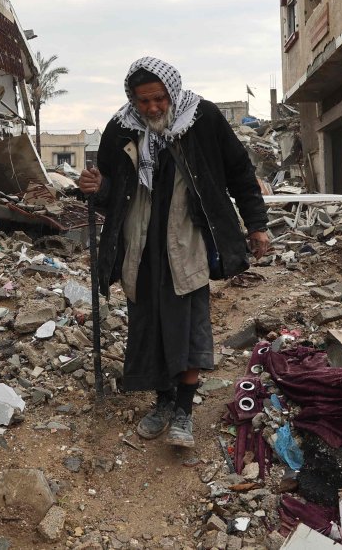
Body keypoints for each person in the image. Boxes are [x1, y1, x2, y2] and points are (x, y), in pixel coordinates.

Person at [78, 56, 270, 448]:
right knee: (147, 326)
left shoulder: (203, 119)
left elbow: (240, 175)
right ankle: (162, 403)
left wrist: (257, 226)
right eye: (143, 101)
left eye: (159, 99)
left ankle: (184, 410)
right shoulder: (120, 129)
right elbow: (111, 196)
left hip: (187, 242)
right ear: (132, 99)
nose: (151, 108)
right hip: (141, 246)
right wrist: (96, 188)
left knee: (188, 325)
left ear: (172, 92)